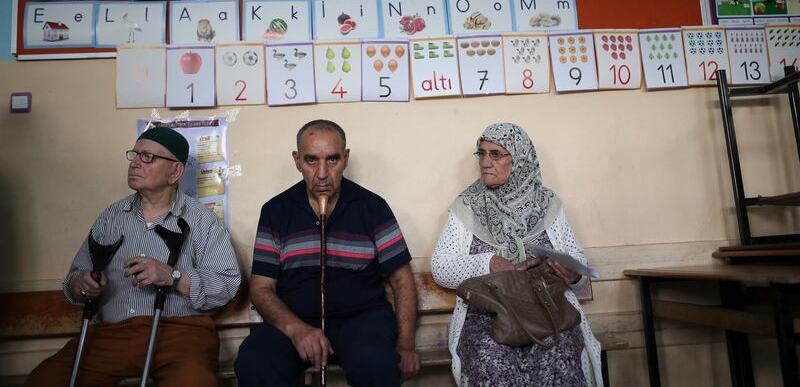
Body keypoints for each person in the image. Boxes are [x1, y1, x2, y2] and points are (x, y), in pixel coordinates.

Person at [26, 126, 241, 386]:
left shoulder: (202, 221)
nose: (136, 163)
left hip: (181, 335)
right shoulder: (111, 218)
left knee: (192, 382)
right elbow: (73, 281)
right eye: (135, 154)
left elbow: (226, 285)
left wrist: (173, 276)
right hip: (110, 335)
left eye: (148, 157)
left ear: (175, 172)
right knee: (46, 379)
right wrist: (81, 284)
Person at [235, 119, 421, 386]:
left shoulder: (373, 208)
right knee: (255, 363)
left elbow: (402, 281)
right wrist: (296, 330)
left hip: (361, 321)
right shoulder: (276, 211)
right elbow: (261, 288)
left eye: (332, 160)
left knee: (375, 364)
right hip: (293, 321)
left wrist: (405, 345)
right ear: (297, 161)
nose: (322, 173)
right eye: (311, 161)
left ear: (345, 159)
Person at [431, 122, 603, 387]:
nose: (486, 162)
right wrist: (489, 262)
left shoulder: (547, 204)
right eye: (482, 153)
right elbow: (441, 267)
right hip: (488, 315)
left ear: (520, 159)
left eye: (496, 154)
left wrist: (573, 274)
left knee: (559, 354)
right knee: (490, 359)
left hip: (548, 310)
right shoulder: (468, 205)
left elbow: (576, 260)